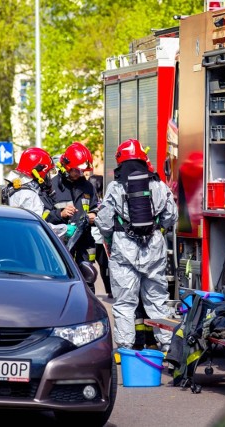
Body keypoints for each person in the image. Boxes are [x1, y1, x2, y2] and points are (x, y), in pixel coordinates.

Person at [95, 138, 178, 352]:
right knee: (158, 300)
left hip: (124, 247)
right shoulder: (159, 185)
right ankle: (167, 347)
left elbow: (104, 221)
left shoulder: (115, 187)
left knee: (125, 303)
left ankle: (125, 348)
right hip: (154, 246)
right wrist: (158, 228)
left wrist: (111, 239)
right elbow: (171, 216)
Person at [41, 142, 99, 292]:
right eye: (76, 170)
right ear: (67, 167)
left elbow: (96, 209)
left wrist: (93, 216)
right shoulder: (52, 187)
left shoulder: (87, 187)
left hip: (84, 243)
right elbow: (42, 216)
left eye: (82, 171)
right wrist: (60, 214)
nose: (79, 174)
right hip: (60, 244)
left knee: (88, 284)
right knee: (61, 284)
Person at [4, 147, 68, 239]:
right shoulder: (29, 195)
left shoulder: (15, 188)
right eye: (47, 173)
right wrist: (64, 229)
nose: (48, 177)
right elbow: (35, 228)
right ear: (38, 173)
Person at [88, 174, 112, 298]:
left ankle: (106, 289)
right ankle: (109, 290)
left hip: (95, 238)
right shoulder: (99, 199)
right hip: (98, 238)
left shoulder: (92, 198)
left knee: (90, 265)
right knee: (103, 266)